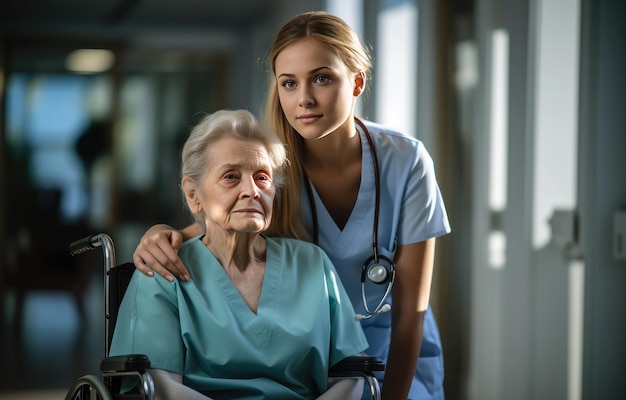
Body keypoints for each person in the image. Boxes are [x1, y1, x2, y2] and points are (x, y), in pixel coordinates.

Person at [133, 11, 451, 400]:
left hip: (395, 343)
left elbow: (409, 314)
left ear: (356, 82)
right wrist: (160, 236)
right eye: (289, 83)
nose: (304, 99)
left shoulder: (406, 161)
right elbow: (225, 217)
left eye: (322, 78)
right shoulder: (270, 167)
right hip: (311, 345)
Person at [110, 109, 369, 400]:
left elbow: (352, 375)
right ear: (194, 195)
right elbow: (159, 387)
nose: (252, 190)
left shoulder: (312, 264)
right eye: (231, 177)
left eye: (262, 177)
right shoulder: (162, 271)